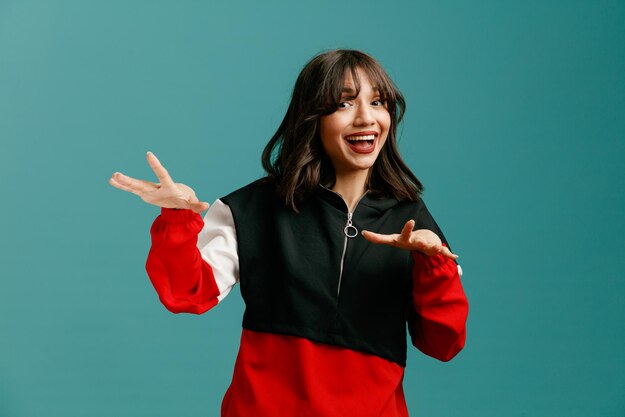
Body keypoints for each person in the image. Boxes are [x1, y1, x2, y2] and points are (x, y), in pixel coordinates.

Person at [109, 49, 469, 417]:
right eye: (344, 103)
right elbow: (186, 292)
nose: (366, 117)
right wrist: (177, 216)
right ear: (312, 117)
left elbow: (444, 343)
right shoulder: (254, 209)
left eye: (378, 102)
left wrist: (432, 266)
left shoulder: (412, 221)